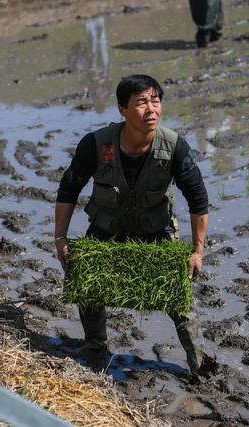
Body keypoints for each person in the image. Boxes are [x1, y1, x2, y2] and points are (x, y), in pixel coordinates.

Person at [54, 74, 210, 377]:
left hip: (156, 229)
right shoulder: (96, 145)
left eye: (156, 101)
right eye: (141, 102)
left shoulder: (175, 147)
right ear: (122, 109)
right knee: (84, 279)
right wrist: (60, 238)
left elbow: (199, 200)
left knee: (181, 298)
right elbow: (68, 190)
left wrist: (197, 250)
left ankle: (200, 366)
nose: (151, 109)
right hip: (107, 228)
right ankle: (96, 348)